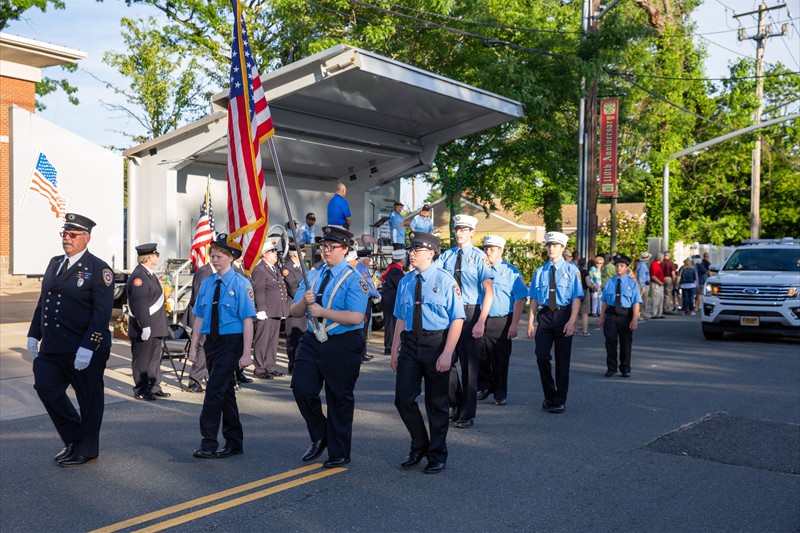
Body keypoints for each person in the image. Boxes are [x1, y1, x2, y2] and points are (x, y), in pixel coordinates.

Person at [27, 213, 114, 466]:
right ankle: (75, 439)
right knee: (46, 388)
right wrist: (35, 333)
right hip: (53, 345)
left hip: (82, 347)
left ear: (86, 238)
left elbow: (101, 313)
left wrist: (88, 347)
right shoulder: (55, 262)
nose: (67, 238)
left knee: (89, 398)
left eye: (72, 235)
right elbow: (44, 301)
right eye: (64, 234)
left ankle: (87, 448)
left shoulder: (98, 269)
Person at [289, 226, 369, 468]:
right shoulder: (312, 275)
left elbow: (356, 317)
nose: (325, 251)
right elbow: (293, 312)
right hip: (313, 339)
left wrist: (323, 311)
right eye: (323, 246)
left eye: (331, 247)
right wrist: (304, 300)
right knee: (301, 387)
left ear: (345, 249)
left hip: (343, 343)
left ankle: (339, 451)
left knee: (338, 398)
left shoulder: (355, 278)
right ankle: (321, 434)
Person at [391, 232, 465, 474]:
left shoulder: (445, 281)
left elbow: (457, 319)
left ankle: (437, 453)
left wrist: (447, 353)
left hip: (437, 342)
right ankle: (419, 443)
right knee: (403, 398)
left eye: (417, 249)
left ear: (431, 253)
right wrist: (394, 350)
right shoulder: (405, 281)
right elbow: (401, 318)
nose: (412, 253)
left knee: (437, 402)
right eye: (411, 249)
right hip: (410, 344)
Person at [189, 234, 256, 459]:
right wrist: (194, 346)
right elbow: (199, 316)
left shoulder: (241, 284)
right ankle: (234, 441)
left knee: (214, 390)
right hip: (212, 343)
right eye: (212, 256)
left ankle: (208, 442)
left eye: (219, 256)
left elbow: (247, 320)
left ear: (230, 257)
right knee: (226, 393)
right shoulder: (208, 283)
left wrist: (247, 353)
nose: (214, 260)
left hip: (232, 342)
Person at [435, 214, 494, 429]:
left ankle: (467, 413)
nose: (459, 232)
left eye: (463, 229)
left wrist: (481, 321)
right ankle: (456, 402)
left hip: (470, 313)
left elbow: (489, 290)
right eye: (456, 229)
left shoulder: (479, 257)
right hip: (449, 313)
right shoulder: (446, 256)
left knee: (470, 367)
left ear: (471, 232)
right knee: (446, 361)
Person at [526, 231, 583, 414]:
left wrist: (572, 321)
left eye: (555, 245)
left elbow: (576, 297)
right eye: (549, 245)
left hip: (564, 314)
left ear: (562, 248)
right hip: (545, 315)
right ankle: (549, 394)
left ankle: (559, 399)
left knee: (562, 359)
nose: (551, 248)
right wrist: (530, 322)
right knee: (541, 356)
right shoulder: (540, 271)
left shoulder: (571, 270)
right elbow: (534, 298)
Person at [476, 235, 528, 406]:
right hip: (481, 319)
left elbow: (520, 298)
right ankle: (485, 385)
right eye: (486, 248)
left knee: (500, 359)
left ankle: (500, 392)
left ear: (501, 251)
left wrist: (514, 324)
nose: (488, 251)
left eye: (492, 248)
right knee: (480, 356)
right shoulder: (479, 269)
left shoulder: (511, 272)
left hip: (502, 321)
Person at [127, 243, 169, 401]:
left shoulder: (149, 274)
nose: (158, 257)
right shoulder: (139, 276)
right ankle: (141, 389)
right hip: (145, 326)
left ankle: (154, 386)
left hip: (155, 325)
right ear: (149, 257)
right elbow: (140, 304)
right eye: (156, 254)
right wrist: (144, 326)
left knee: (153, 359)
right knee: (142, 360)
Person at [599, 254, 642, 378]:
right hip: (611, 314)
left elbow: (636, 302)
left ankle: (625, 368)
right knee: (610, 341)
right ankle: (611, 368)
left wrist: (634, 319)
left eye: (621, 266)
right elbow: (604, 301)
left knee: (625, 343)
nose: (618, 268)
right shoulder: (610, 282)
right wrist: (602, 317)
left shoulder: (632, 283)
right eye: (617, 265)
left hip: (625, 315)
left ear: (627, 267)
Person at [251, 238, 288, 379]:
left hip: (276, 311)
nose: (275, 253)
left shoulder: (275, 269)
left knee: (273, 341)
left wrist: (283, 309)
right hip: (266, 311)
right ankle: (259, 368)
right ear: (264, 254)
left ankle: (269, 366)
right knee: (262, 340)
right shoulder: (260, 269)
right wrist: (261, 309)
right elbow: (258, 290)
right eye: (271, 251)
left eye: (275, 251)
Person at [182, 261, 214, 392]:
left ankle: (204, 376)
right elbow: (199, 298)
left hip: (209, 317)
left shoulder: (214, 272)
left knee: (207, 347)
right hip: (201, 317)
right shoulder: (204, 272)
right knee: (202, 347)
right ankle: (194, 381)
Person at [347, 249, 380, 362]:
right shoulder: (361, 268)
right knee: (362, 329)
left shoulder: (359, 268)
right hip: (364, 301)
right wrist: (377, 295)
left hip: (361, 300)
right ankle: (361, 353)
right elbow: (366, 286)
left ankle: (361, 353)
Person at [282, 243, 307, 375]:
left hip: (303, 307)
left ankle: (300, 364)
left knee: (302, 337)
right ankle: (292, 365)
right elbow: (293, 289)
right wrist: (307, 297)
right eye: (302, 252)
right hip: (294, 308)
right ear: (296, 254)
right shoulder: (287, 268)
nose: (304, 254)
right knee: (293, 339)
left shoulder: (302, 267)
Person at [381, 249, 407, 355]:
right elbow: (402, 286)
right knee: (392, 325)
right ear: (402, 259)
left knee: (390, 325)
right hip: (392, 302)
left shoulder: (391, 269)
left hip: (388, 302)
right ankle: (390, 347)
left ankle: (389, 346)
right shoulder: (396, 271)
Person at [576, 258, 591, 335]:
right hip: (584, 291)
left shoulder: (576, 272)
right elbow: (588, 284)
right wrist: (593, 286)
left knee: (576, 312)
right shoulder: (585, 273)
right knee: (584, 313)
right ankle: (585, 331)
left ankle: (574, 330)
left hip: (577, 292)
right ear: (585, 264)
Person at [649, 253, 665, 319]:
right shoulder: (654, 264)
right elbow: (653, 276)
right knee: (655, 299)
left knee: (660, 299)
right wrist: (660, 282)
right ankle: (653, 313)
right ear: (660, 258)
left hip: (660, 284)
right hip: (656, 284)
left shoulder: (658, 265)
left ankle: (659, 313)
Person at [636, 252, 651, 319]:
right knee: (643, 300)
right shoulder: (642, 265)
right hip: (644, 284)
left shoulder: (642, 264)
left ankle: (641, 314)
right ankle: (640, 314)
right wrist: (643, 288)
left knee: (642, 300)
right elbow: (641, 277)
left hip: (643, 284)